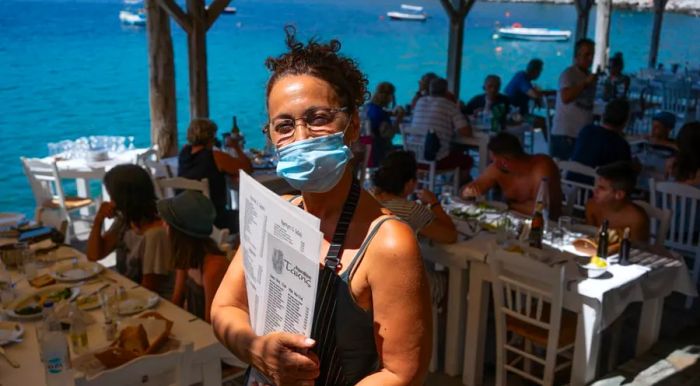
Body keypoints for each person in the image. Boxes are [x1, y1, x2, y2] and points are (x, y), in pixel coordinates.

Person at [211, 27, 431, 386]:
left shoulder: (388, 243)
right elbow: (224, 309)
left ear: (352, 125)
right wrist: (257, 350)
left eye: (317, 118)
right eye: (284, 125)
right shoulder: (275, 212)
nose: (300, 137)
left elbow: (402, 372)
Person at [86, 164, 174, 298]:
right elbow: (94, 255)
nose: (111, 202)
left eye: (112, 197)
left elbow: (149, 289)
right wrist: (99, 219)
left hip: (154, 302)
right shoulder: (125, 221)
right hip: (130, 293)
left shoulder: (156, 233)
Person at [159, 190, 229, 323]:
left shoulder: (213, 268)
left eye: (168, 223)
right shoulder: (187, 257)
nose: (164, 226)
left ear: (179, 233)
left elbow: (211, 322)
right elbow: (177, 299)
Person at [461, 132, 562, 219]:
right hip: (512, 224)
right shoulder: (498, 168)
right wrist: (469, 191)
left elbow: (541, 211)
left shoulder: (541, 167)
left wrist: (507, 205)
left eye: (495, 161)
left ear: (504, 161)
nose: (494, 164)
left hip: (546, 228)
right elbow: (469, 190)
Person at [178, 118, 253, 233]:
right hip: (213, 220)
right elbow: (248, 168)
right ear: (210, 136)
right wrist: (236, 146)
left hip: (186, 216)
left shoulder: (184, 153)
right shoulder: (214, 156)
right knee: (250, 217)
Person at [371, 150, 458, 244]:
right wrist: (434, 202)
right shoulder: (411, 210)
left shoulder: (368, 194)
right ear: (409, 182)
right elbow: (451, 236)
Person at [411, 77, 473, 181]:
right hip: (435, 160)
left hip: (414, 158)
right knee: (467, 160)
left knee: (453, 151)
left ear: (430, 90)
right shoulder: (450, 105)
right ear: (446, 91)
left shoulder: (420, 102)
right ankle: (458, 190)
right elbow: (466, 132)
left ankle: (420, 188)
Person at [551, 38, 597, 161]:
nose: (590, 58)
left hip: (581, 134)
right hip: (566, 135)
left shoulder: (588, 75)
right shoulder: (569, 74)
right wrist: (585, 84)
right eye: (587, 55)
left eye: (592, 54)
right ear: (577, 56)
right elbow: (566, 97)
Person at [586, 161, 649, 243]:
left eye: (602, 188)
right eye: (596, 186)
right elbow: (589, 238)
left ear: (619, 194)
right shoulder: (592, 205)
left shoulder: (636, 218)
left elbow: (639, 248)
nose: (595, 190)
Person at [570, 98, 632, 173]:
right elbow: (624, 176)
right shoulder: (621, 146)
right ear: (625, 122)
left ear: (603, 115)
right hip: (594, 183)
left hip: (570, 181)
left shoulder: (586, 130)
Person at [365, 82, 405, 167]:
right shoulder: (382, 115)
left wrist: (389, 114)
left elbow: (376, 116)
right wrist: (399, 118)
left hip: (366, 149)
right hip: (379, 152)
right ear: (390, 97)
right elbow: (390, 135)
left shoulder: (368, 107)